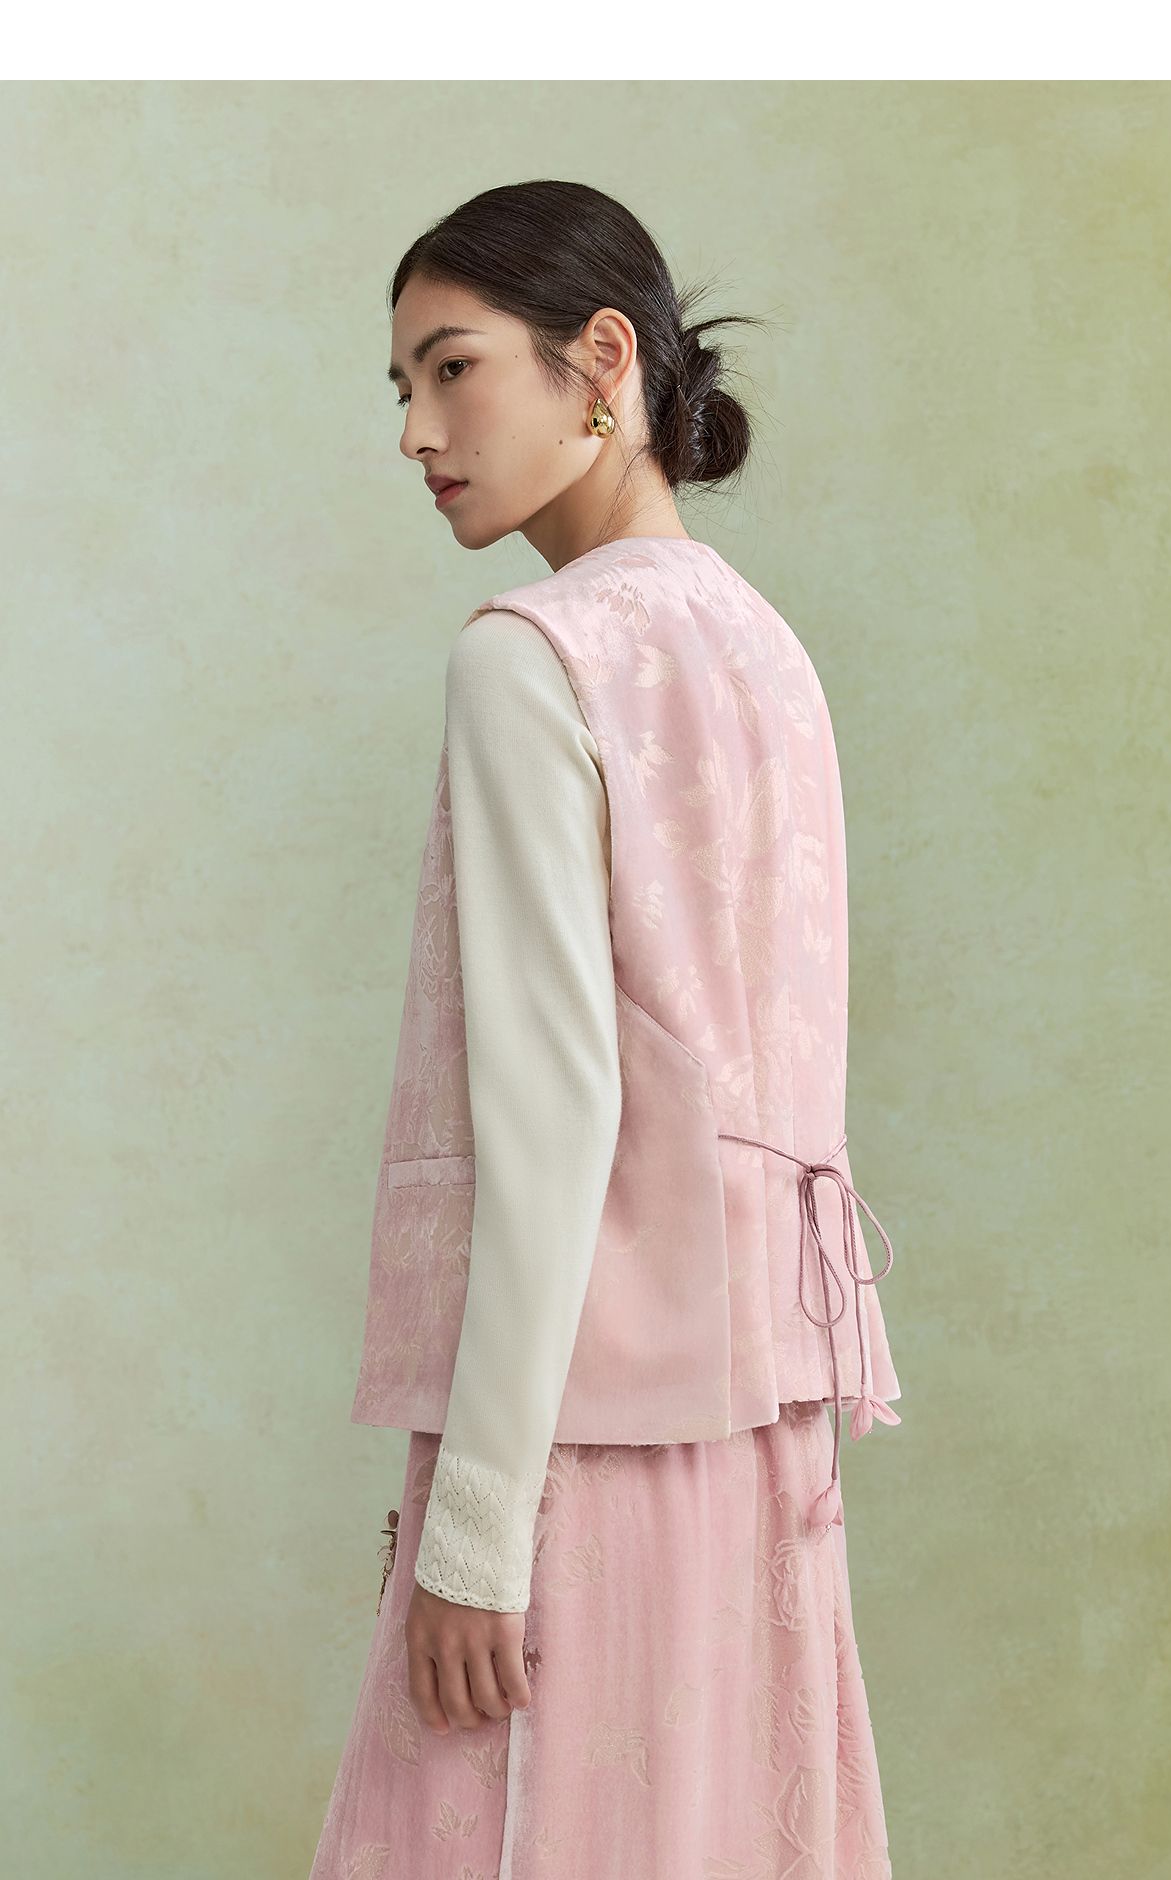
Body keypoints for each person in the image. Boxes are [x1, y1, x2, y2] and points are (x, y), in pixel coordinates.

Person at [309, 178, 900, 1880]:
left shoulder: (531, 657)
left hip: (580, 1429)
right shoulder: (768, 654)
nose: (417, 433)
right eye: (403, 388)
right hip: (768, 1435)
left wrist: (476, 1527)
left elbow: (559, 1118)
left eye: (453, 369)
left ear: (603, 361)